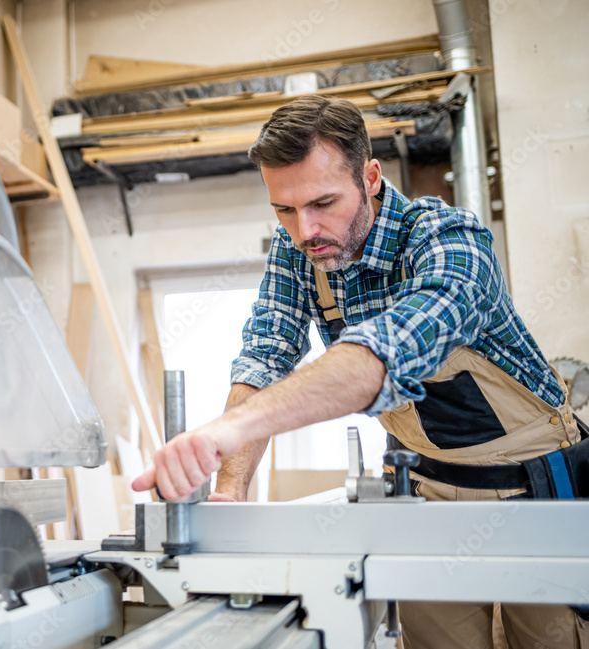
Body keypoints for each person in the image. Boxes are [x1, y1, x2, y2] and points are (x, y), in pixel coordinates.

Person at [131, 95, 588, 649]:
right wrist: (228, 491)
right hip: (426, 494)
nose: (305, 229)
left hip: (535, 493)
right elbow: (267, 353)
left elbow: (384, 354)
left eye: (324, 202)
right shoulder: (300, 244)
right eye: (284, 209)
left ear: (370, 177)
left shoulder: (449, 240)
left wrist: (229, 430)